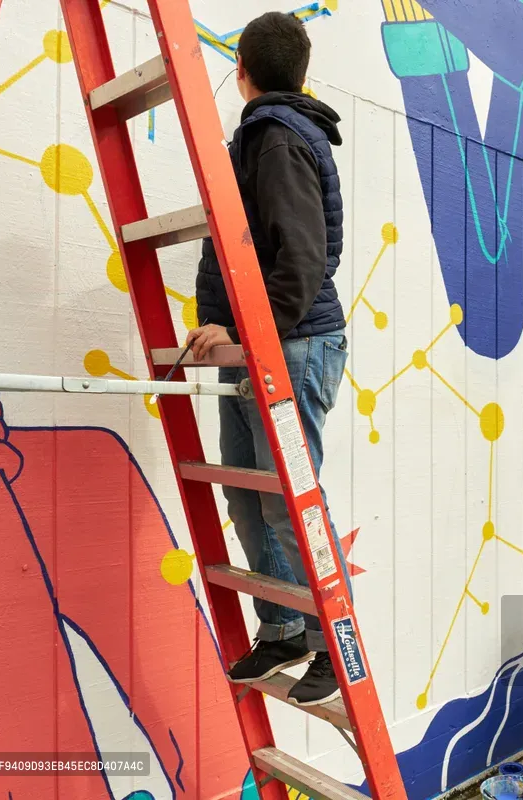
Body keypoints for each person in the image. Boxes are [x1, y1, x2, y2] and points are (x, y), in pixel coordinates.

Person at [186, 10, 350, 708]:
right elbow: (230, 253)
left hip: (292, 341)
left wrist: (251, 335)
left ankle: (331, 645)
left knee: (286, 498)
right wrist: (215, 324)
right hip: (259, 341)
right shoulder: (254, 142)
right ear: (302, 73)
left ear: (240, 71)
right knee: (246, 495)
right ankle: (283, 625)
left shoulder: (278, 137)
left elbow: (306, 260)